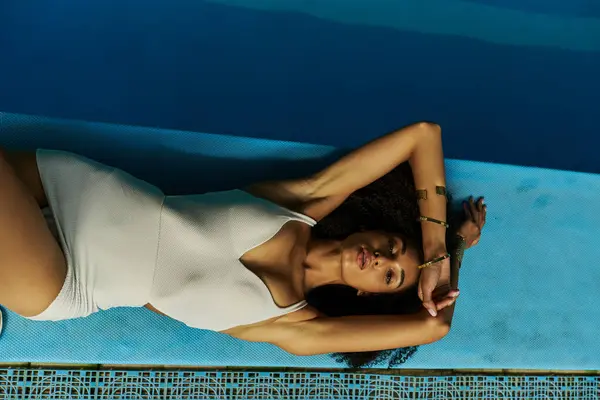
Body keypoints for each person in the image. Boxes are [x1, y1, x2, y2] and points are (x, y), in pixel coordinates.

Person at [0, 121, 486, 368]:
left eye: (390, 275)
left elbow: (434, 327)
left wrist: (448, 262)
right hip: (66, 185)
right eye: (393, 246)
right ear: (372, 228)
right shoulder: (302, 202)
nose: (382, 258)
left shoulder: (297, 327)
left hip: (66, 280)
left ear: (368, 296)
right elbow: (424, 135)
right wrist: (437, 247)